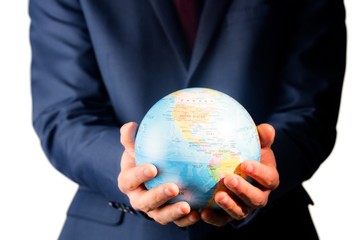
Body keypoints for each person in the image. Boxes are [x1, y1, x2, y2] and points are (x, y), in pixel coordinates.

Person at [29, 0, 346, 239]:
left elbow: (311, 107)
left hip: (270, 227)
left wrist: (263, 171)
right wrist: (128, 169)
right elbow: (64, 113)